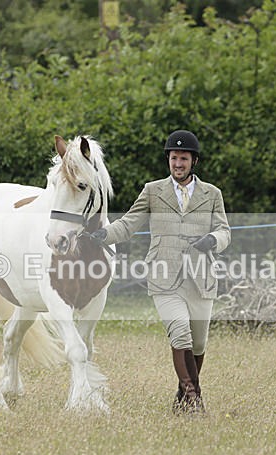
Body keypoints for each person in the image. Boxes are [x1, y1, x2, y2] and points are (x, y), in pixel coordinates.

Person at [92, 130, 231, 413]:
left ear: (194, 161)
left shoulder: (212, 194)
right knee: (180, 334)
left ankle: (181, 400)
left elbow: (224, 231)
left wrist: (212, 240)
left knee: (198, 343)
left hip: (201, 278)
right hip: (164, 277)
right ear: (168, 159)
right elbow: (128, 224)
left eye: (183, 159)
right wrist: (103, 235)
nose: (177, 163)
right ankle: (195, 401)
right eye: (173, 158)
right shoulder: (153, 191)